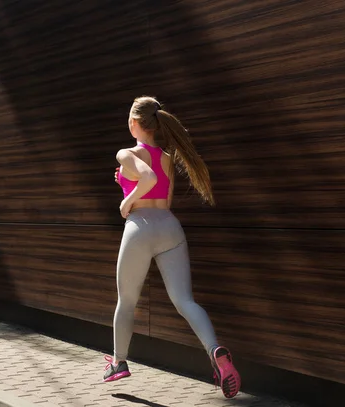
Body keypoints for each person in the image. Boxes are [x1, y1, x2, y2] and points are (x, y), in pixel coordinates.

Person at [103, 96, 241, 399]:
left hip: (141, 228)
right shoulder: (167, 156)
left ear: (134, 123)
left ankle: (119, 363)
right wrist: (126, 184)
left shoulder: (125, 152)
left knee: (127, 301)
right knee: (185, 301)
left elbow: (147, 178)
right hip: (169, 227)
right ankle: (214, 349)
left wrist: (126, 201)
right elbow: (159, 189)